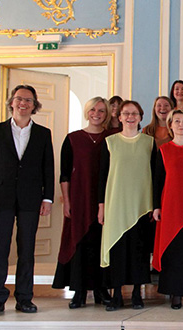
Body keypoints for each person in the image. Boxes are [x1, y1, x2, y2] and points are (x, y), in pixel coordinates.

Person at [0, 85, 54, 317]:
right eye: (19, 99)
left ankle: (24, 298)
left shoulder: (43, 133)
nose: (23, 103)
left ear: (35, 106)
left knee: (27, 250)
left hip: (31, 199)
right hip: (0, 199)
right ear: (11, 102)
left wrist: (48, 198)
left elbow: (48, 169)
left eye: (29, 100)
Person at [53, 97, 112, 309]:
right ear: (87, 112)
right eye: (93, 110)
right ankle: (78, 291)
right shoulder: (73, 139)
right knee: (81, 242)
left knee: (101, 243)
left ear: (107, 115)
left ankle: (101, 289)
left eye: (102, 111)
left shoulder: (112, 137)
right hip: (79, 198)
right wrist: (67, 201)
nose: (97, 113)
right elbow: (65, 174)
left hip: (106, 198)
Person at [99, 100, 157, 311]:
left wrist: (154, 205)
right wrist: (101, 206)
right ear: (119, 117)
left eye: (134, 113)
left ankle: (136, 294)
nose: (130, 117)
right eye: (126, 113)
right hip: (116, 205)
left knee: (139, 251)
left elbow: (155, 175)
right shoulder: (110, 142)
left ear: (141, 117)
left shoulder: (149, 143)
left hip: (141, 206)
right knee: (118, 251)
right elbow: (102, 176)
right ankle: (116, 295)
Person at [152, 109, 183, 309]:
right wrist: (156, 206)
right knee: (173, 249)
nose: (181, 124)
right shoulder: (163, 150)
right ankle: (174, 293)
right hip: (170, 206)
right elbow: (157, 181)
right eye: (177, 121)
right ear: (170, 125)